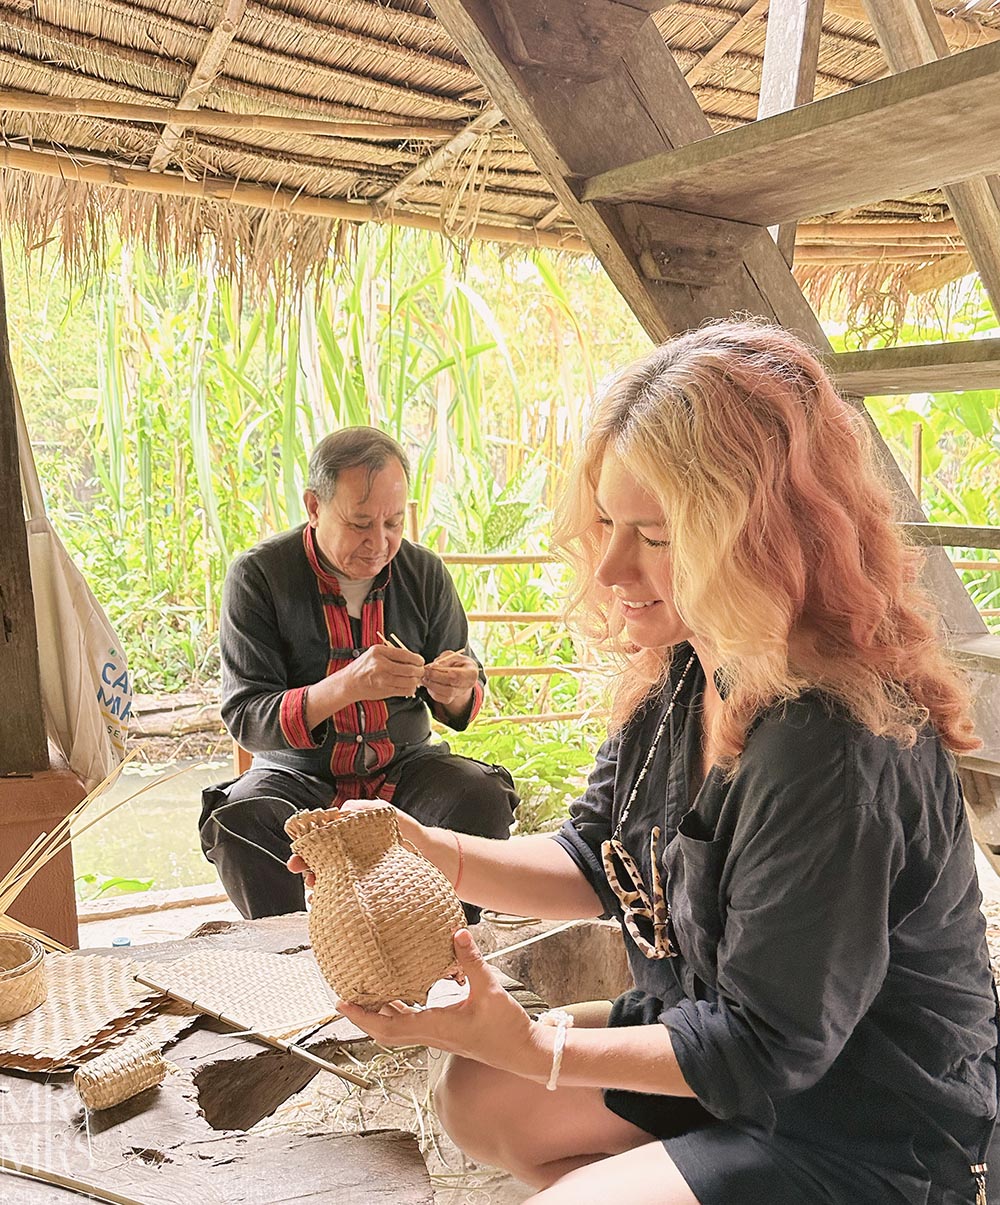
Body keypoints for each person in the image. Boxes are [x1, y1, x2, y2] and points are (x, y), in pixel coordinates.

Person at [293, 321, 999, 1205]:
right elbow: (597, 858)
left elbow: (769, 1044)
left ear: (762, 532)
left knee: (530, 1113)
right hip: (727, 1064)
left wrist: (530, 1042)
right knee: (480, 1098)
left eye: (658, 535)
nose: (616, 565)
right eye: (607, 523)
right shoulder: (691, 667)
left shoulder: (829, 743)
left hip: (862, 1125)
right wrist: (416, 843)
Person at [201, 426, 518, 922]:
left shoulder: (424, 573)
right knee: (238, 820)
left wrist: (456, 688)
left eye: (393, 522)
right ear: (313, 506)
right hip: (298, 775)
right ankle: (291, 958)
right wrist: (345, 686)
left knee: (481, 797)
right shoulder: (259, 576)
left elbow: (464, 699)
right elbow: (246, 717)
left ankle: (438, 946)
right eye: (360, 523)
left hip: (405, 767)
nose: (379, 543)